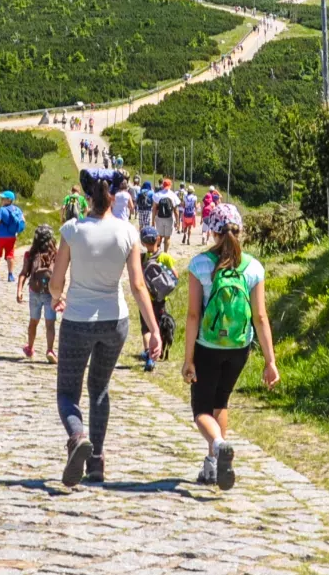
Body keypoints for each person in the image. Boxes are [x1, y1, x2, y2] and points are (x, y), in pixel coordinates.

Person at [51, 168, 161, 487]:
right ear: (114, 196)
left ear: (87, 196)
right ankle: (96, 461)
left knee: (67, 392)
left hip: (77, 320)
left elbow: (57, 282)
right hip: (116, 321)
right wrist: (153, 328)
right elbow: (138, 285)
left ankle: (77, 436)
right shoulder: (128, 232)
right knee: (99, 389)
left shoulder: (72, 230)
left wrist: (58, 298)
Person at [182, 203, 278, 491]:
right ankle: (215, 465)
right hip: (239, 347)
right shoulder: (253, 267)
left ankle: (219, 445)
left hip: (207, 345)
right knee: (220, 401)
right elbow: (260, 317)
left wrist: (188, 359)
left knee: (201, 409)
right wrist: (270, 361)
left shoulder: (200, 265)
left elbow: (193, 316)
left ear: (212, 230)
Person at [17, 225, 59, 362]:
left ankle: (30, 347)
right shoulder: (55, 254)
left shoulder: (30, 254)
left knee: (33, 322)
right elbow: (60, 275)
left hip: (34, 292)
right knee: (50, 324)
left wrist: (19, 291)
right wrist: (60, 293)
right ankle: (50, 350)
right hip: (50, 293)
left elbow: (24, 273)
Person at [138, 226, 178, 371]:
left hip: (145, 298)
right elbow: (175, 276)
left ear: (143, 242)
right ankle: (156, 353)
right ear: (158, 239)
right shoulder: (165, 257)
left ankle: (149, 354)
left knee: (146, 328)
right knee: (157, 325)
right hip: (160, 299)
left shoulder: (142, 258)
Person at [0, 191, 26, 281]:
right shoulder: (17, 210)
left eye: (3, 198)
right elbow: (23, 220)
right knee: (10, 255)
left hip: (0, 236)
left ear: (9, 200)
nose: (1, 199)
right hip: (12, 236)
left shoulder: (1, 210)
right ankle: (10, 275)